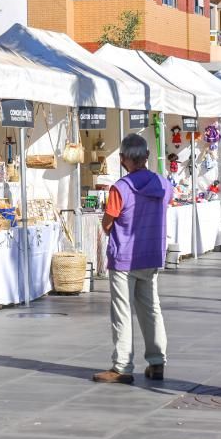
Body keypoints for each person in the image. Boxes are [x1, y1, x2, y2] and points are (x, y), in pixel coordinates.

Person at [93, 134, 172, 384]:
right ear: (147, 156)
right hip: (151, 254)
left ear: (123, 158)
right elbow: (166, 204)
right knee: (151, 309)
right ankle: (157, 361)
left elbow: (108, 221)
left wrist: (111, 230)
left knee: (122, 312)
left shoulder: (121, 188)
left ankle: (122, 366)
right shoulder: (162, 183)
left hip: (125, 257)